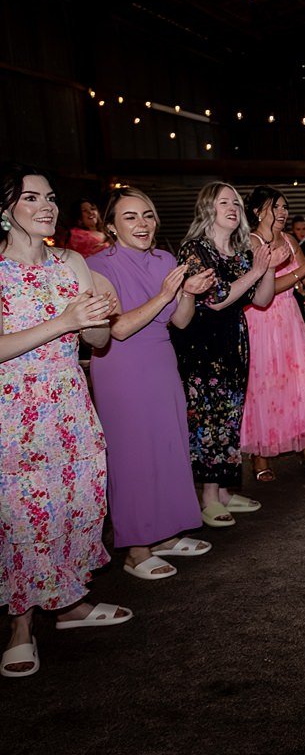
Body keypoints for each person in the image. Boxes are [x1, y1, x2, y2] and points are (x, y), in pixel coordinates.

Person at [1, 164, 130, 679]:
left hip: (71, 405)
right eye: (31, 197)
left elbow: (96, 343)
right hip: (15, 412)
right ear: (6, 210)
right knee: (23, 518)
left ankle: (70, 605)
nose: (46, 205)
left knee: (75, 506)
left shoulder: (73, 260)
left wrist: (101, 316)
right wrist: (65, 321)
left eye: (51, 197)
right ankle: (20, 627)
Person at [88, 188, 216, 581]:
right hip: (121, 367)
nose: (142, 224)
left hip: (161, 361)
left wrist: (188, 294)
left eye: (147, 215)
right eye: (130, 217)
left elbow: (179, 321)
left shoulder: (165, 258)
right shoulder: (96, 265)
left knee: (168, 445)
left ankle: (164, 534)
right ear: (111, 226)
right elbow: (120, 328)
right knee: (133, 457)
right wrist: (165, 294)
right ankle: (136, 549)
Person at [173, 182, 283, 528]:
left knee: (230, 417)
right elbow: (216, 298)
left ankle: (221, 491)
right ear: (208, 209)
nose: (233, 207)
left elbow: (262, 299)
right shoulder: (195, 250)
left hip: (233, 341)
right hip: (202, 345)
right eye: (224, 202)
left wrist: (266, 267)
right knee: (208, 418)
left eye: (236, 202)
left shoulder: (236, 253)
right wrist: (254, 269)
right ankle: (207, 496)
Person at [241, 186, 305, 482]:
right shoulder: (250, 241)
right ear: (258, 211)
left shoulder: (291, 240)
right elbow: (259, 291)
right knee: (264, 385)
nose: (282, 212)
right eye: (275, 207)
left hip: (290, 319)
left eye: (284, 207)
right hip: (261, 320)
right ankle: (261, 456)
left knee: (299, 384)